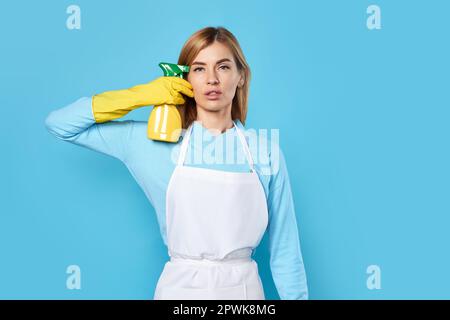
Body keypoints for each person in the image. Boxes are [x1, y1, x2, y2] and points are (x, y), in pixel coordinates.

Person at [45, 26, 308, 300]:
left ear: (241, 76)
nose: (212, 79)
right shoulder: (152, 144)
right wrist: (141, 95)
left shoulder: (265, 153)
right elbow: (60, 125)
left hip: (244, 294)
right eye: (199, 69)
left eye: (223, 67)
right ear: (184, 79)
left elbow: (286, 251)